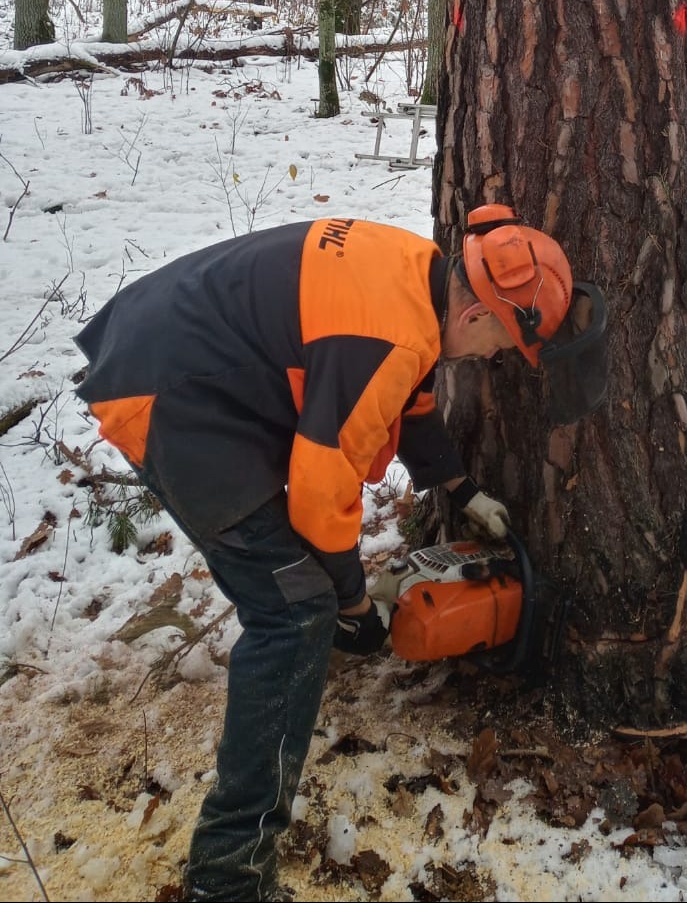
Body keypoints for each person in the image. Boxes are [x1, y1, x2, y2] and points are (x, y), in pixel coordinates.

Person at [74, 203, 606, 902]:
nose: (493, 359)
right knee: (294, 611)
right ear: (477, 314)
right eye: (500, 346)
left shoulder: (417, 273)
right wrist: (352, 603)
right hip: (174, 396)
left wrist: (458, 483)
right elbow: (322, 495)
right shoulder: (386, 336)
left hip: (171, 347)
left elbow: (406, 400)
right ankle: (228, 874)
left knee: (304, 593)